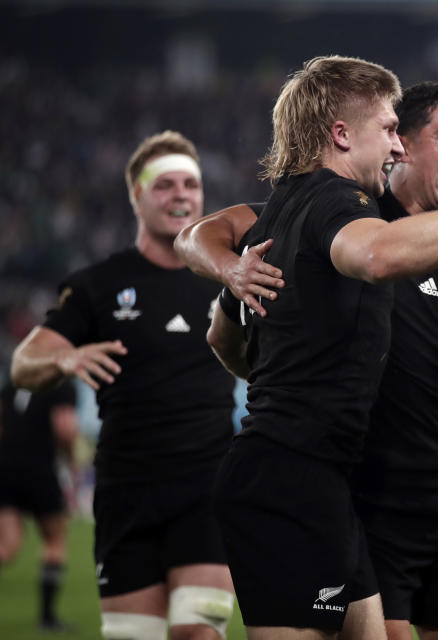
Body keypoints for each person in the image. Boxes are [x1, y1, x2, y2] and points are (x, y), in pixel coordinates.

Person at [197, 56, 438, 640]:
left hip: (321, 479)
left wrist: (285, 376)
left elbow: (221, 335)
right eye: (387, 129)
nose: (396, 147)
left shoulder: (284, 209)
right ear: (341, 134)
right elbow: (377, 257)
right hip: (290, 479)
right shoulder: (334, 201)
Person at [10, 131, 237, 640]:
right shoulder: (98, 284)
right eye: (165, 185)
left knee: (197, 632)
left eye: (191, 184)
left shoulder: (227, 276)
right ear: (136, 195)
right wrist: (65, 357)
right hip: (125, 493)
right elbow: (24, 364)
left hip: (205, 486)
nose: (181, 194)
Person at [0, 378, 78, 631]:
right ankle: (47, 618)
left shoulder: (14, 380)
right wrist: (70, 462)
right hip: (40, 469)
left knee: (7, 548)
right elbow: (65, 428)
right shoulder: (61, 383)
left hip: (5, 468)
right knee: (54, 540)